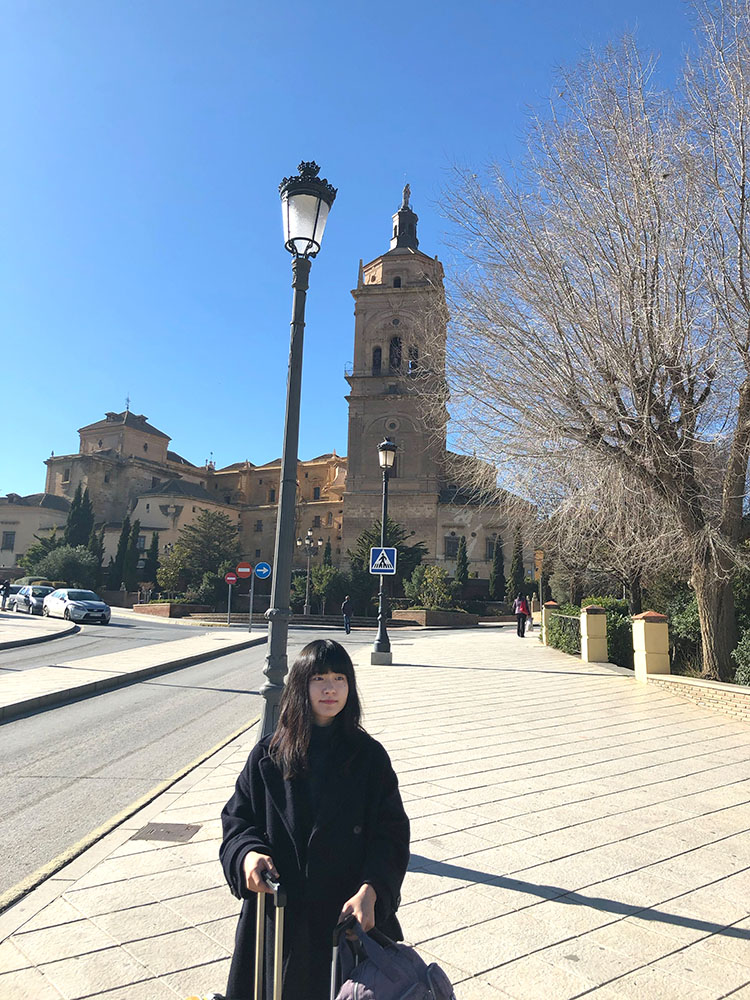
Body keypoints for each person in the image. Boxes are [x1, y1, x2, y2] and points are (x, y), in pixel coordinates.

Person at [220, 639, 410, 1000]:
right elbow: (237, 820)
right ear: (300, 685)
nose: (329, 688)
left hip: (345, 924)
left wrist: (374, 891)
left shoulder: (370, 758)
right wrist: (247, 855)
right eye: (319, 678)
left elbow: (392, 836)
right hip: (277, 923)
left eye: (340, 678)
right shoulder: (268, 755)